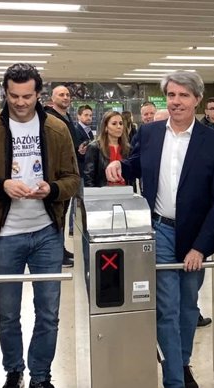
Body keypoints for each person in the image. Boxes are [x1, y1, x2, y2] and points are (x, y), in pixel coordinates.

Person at [105, 71, 214, 388]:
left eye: (183, 95)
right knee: (167, 310)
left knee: (189, 307)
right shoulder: (150, 133)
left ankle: (182, 362)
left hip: (196, 236)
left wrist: (200, 247)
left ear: (197, 100)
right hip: (159, 230)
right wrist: (122, 166)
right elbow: (139, 164)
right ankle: (174, 379)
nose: (176, 102)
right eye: (171, 95)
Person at [0, 63, 80, 388]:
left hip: (47, 233)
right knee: (7, 312)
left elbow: (73, 179)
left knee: (48, 312)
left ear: (38, 94)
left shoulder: (57, 130)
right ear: (5, 92)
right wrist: (1, 185)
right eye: (13, 95)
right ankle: (13, 370)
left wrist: (52, 189)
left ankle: (41, 376)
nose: (20, 102)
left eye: (27, 96)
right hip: (5, 235)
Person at [44, 84, 77, 266]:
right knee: (56, 215)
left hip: (68, 174)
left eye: (67, 95)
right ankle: (56, 252)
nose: (65, 97)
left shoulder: (67, 118)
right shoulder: (50, 119)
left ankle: (60, 248)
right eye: (61, 95)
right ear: (53, 98)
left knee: (63, 214)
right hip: (55, 177)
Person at [83, 111, 131, 187]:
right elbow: (88, 177)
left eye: (121, 123)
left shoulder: (128, 148)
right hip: (103, 194)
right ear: (106, 127)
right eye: (114, 124)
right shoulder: (94, 147)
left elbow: (131, 176)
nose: (119, 127)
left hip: (124, 193)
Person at [73, 104, 95, 175]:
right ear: (78, 116)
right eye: (86, 115)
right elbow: (78, 152)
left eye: (90, 115)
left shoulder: (89, 130)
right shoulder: (75, 130)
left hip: (89, 169)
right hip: (81, 170)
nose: (89, 117)